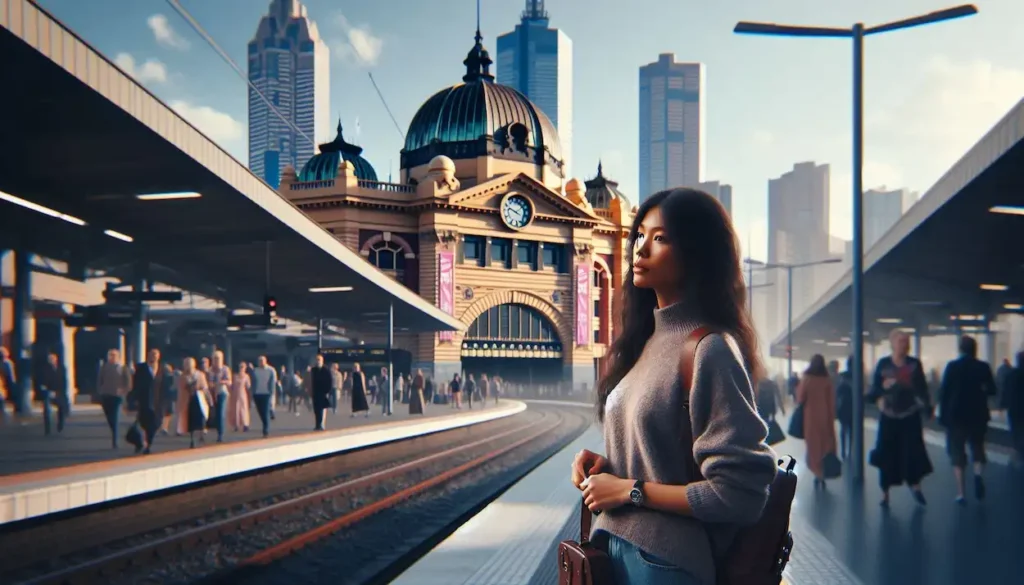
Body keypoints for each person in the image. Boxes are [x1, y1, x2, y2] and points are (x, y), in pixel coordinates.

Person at [569, 188, 776, 585]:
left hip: (663, 564)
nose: (640, 250)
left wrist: (628, 490)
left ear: (697, 254)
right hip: (612, 547)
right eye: (640, 235)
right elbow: (665, 464)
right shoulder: (645, 342)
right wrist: (608, 468)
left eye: (660, 238)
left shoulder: (709, 349)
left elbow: (741, 493)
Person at [867, 329, 933, 508]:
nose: (905, 345)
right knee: (887, 453)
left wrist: (927, 407)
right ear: (893, 343)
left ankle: (916, 485)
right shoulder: (883, 364)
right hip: (889, 416)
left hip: (909, 414)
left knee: (913, 451)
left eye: (907, 342)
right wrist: (880, 392)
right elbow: (875, 389)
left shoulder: (914, 364)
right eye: (902, 341)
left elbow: (922, 389)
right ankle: (885, 493)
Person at [937, 335, 997, 504]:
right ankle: (977, 474)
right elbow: (992, 390)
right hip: (978, 414)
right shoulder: (983, 367)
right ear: (975, 349)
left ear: (960, 349)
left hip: (956, 416)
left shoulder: (952, 367)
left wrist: (942, 415)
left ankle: (961, 493)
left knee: (957, 453)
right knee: (977, 446)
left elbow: (944, 392)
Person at [797, 354, 838, 489]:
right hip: (825, 417)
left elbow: (801, 398)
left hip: (810, 418)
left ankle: (817, 473)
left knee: (813, 446)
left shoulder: (806, 379)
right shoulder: (827, 380)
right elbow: (831, 401)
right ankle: (822, 473)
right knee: (825, 445)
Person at [131, 348, 165, 454]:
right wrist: (134, 399)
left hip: (158, 402)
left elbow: (166, 386)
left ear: (159, 357)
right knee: (144, 423)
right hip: (144, 401)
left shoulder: (163, 369)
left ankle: (148, 443)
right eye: (152, 354)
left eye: (156, 355)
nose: (153, 357)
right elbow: (135, 385)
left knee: (155, 424)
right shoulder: (141, 368)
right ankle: (142, 443)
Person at [97, 348, 132, 449]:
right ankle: (113, 429)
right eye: (110, 355)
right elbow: (100, 379)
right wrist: (100, 390)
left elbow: (128, 382)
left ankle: (115, 440)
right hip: (106, 394)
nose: (112, 357)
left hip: (117, 396)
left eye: (114, 355)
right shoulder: (104, 367)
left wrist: (124, 391)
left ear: (118, 357)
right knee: (109, 417)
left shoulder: (123, 367)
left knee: (115, 417)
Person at [835, 357, 854, 460]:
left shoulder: (842, 376)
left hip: (843, 407)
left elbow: (838, 392)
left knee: (844, 429)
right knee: (851, 431)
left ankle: (843, 451)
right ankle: (849, 451)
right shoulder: (857, 376)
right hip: (852, 407)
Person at [309, 355, 333, 430]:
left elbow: (330, 381)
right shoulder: (313, 370)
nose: (318, 361)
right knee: (316, 409)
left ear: (322, 361)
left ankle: (321, 424)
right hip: (315, 392)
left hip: (323, 392)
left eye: (319, 360)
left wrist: (327, 391)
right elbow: (310, 381)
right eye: (317, 360)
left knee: (322, 409)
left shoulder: (326, 370)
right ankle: (317, 424)